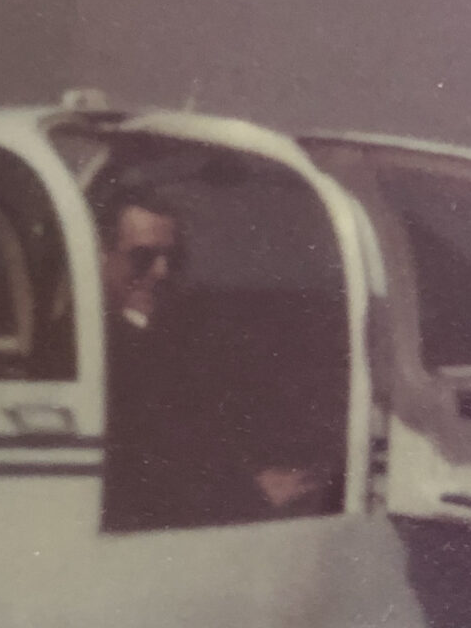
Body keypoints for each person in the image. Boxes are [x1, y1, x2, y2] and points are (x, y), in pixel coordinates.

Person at [98, 189, 330, 530]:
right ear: (100, 255)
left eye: (171, 259)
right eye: (143, 257)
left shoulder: (165, 337)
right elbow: (140, 471)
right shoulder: (102, 347)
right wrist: (249, 494)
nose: (161, 271)